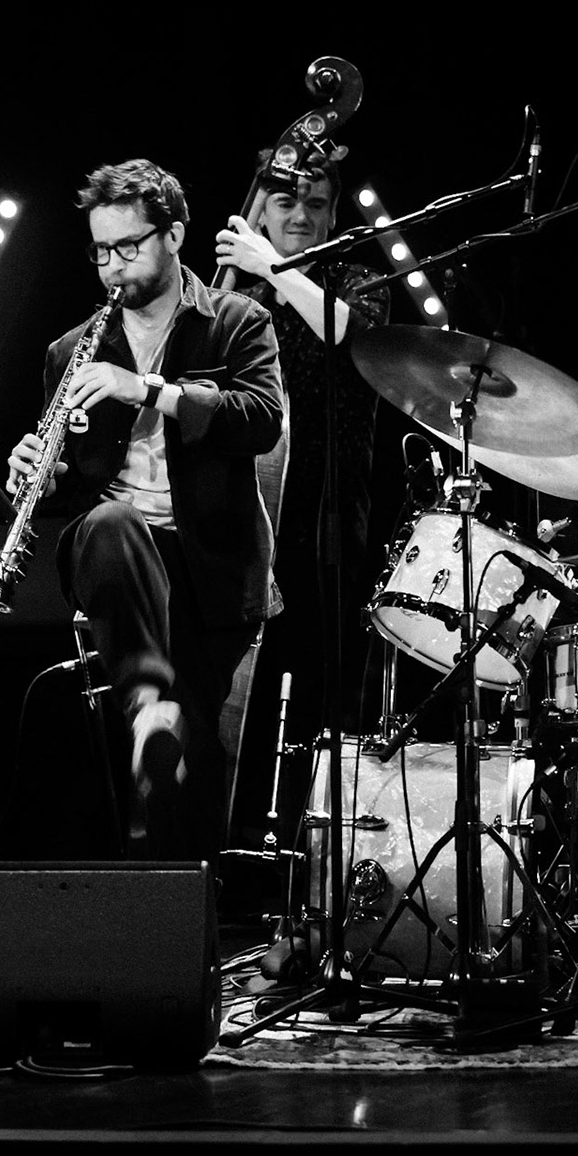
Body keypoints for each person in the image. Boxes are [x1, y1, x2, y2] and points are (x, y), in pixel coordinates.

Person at [5, 159, 285, 863]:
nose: (111, 268)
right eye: (101, 251)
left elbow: (261, 420)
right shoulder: (72, 350)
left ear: (175, 235)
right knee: (109, 521)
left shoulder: (237, 323)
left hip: (212, 568)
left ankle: (184, 939)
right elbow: (71, 492)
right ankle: (147, 701)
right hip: (118, 559)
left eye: (128, 247)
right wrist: (38, 472)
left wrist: (149, 390)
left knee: (184, 793)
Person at [213, 150, 392, 798]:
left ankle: (310, 844)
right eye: (285, 202)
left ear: (334, 213)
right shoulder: (238, 295)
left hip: (329, 522)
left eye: (314, 204)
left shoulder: (354, 278)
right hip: (245, 525)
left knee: (320, 697)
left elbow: (346, 333)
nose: (299, 216)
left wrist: (271, 265)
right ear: (262, 207)